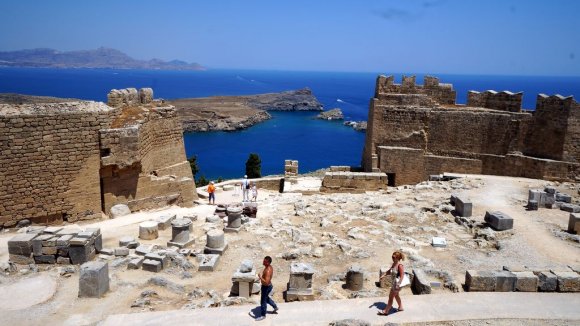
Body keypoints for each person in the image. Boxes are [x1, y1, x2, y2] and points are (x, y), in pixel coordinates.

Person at [378, 250, 406, 316]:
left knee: (391, 297)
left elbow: (402, 276)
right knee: (396, 295)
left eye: (394, 257)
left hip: (398, 284)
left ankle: (386, 311)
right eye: (392, 257)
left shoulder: (400, 266)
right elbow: (389, 271)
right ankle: (400, 307)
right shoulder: (394, 264)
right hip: (395, 283)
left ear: (397, 258)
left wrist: (398, 284)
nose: (392, 258)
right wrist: (384, 275)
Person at [255, 256, 278, 321]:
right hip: (269, 286)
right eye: (263, 260)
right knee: (266, 298)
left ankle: (263, 315)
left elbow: (266, 282)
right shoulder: (270, 267)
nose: (263, 262)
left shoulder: (267, 271)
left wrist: (260, 277)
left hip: (266, 287)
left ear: (268, 263)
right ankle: (275, 306)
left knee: (263, 301)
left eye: (264, 261)